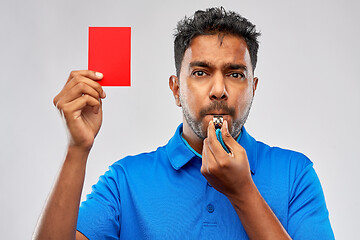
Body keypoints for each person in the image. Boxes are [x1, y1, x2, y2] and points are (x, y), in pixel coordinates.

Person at [33, 7, 334, 240]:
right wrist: (77, 148)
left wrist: (242, 191)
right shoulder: (125, 180)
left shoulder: (296, 174)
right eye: (201, 73)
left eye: (235, 74)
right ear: (176, 89)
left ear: (253, 87)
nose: (219, 90)